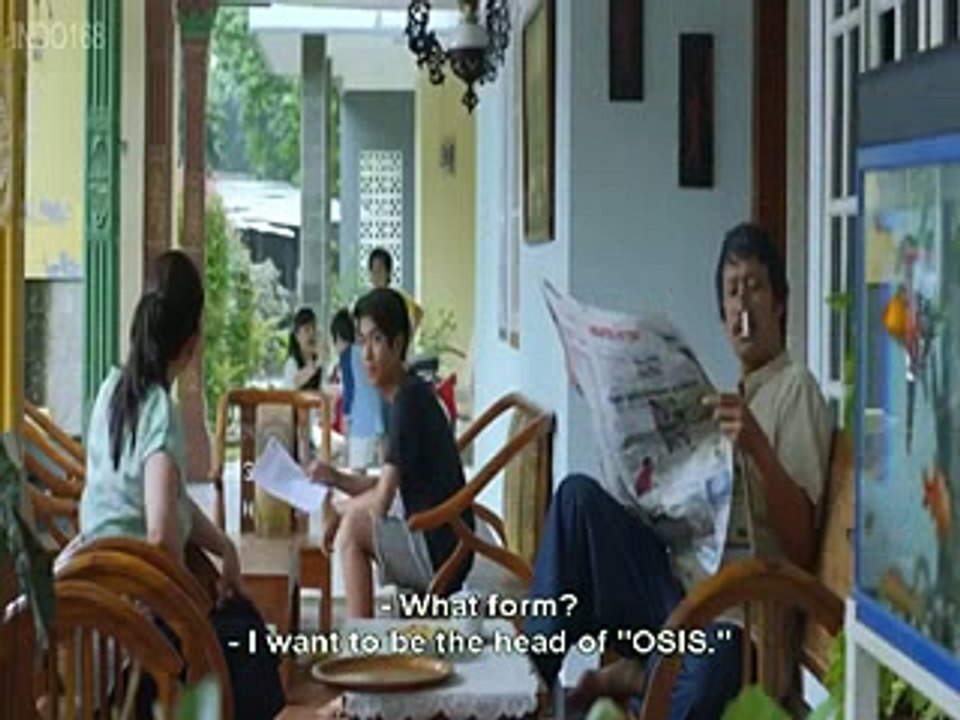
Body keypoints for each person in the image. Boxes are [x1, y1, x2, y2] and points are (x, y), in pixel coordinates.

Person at [523, 223, 832, 718]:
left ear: (779, 303)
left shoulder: (796, 390)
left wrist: (758, 449)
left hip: (737, 614)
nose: (742, 304)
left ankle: (638, 678)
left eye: (755, 287)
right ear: (722, 315)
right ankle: (530, 688)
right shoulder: (727, 395)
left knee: (711, 668)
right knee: (576, 499)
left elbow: (801, 546)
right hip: (676, 590)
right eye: (732, 291)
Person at [78, 250, 285, 720]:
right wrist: (193, 603)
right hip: (139, 618)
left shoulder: (111, 392)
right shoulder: (159, 412)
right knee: (247, 638)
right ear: (192, 344)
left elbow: (168, 502)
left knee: (238, 625)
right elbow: (160, 534)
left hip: (95, 598)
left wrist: (224, 548)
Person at [308, 288, 474, 617]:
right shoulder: (408, 394)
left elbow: (381, 503)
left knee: (353, 528)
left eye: (377, 340)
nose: (366, 354)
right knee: (353, 519)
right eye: (361, 341)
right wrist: (335, 478)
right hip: (444, 537)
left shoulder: (408, 402)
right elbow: (388, 484)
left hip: (443, 548)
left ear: (397, 345)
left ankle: (361, 638)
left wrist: (341, 511)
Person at [330, 307, 387, 470]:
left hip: (360, 420)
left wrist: (345, 417)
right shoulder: (365, 351)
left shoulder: (346, 356)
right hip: (378, 417)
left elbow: (350, 388)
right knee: (382, 469)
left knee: (357, 470)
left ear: (338, 337)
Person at [368, 247, 425, 337]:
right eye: (374, 271)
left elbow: (418, 313)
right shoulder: (368, 300)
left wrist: (408, 336)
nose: (377, 275)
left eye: (380, 270)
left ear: (388, 273)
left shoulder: (396, 296)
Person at [284, 306, 323, 391]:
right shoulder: (292, 363)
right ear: (297, 336)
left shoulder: (319, 362)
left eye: (314, 328)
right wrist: (317, 362)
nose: (312, 334)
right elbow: (296, 382)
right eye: (307, 330)